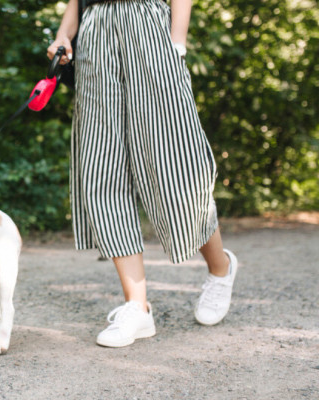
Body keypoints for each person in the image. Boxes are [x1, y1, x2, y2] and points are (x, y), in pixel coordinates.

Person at [47, 0, 238, 347]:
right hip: (95, 37)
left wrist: (176, 43)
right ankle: (137, 308)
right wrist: (64, 35)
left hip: (150, 31)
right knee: (101, 166)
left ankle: (220, 267)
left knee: (176, 165)